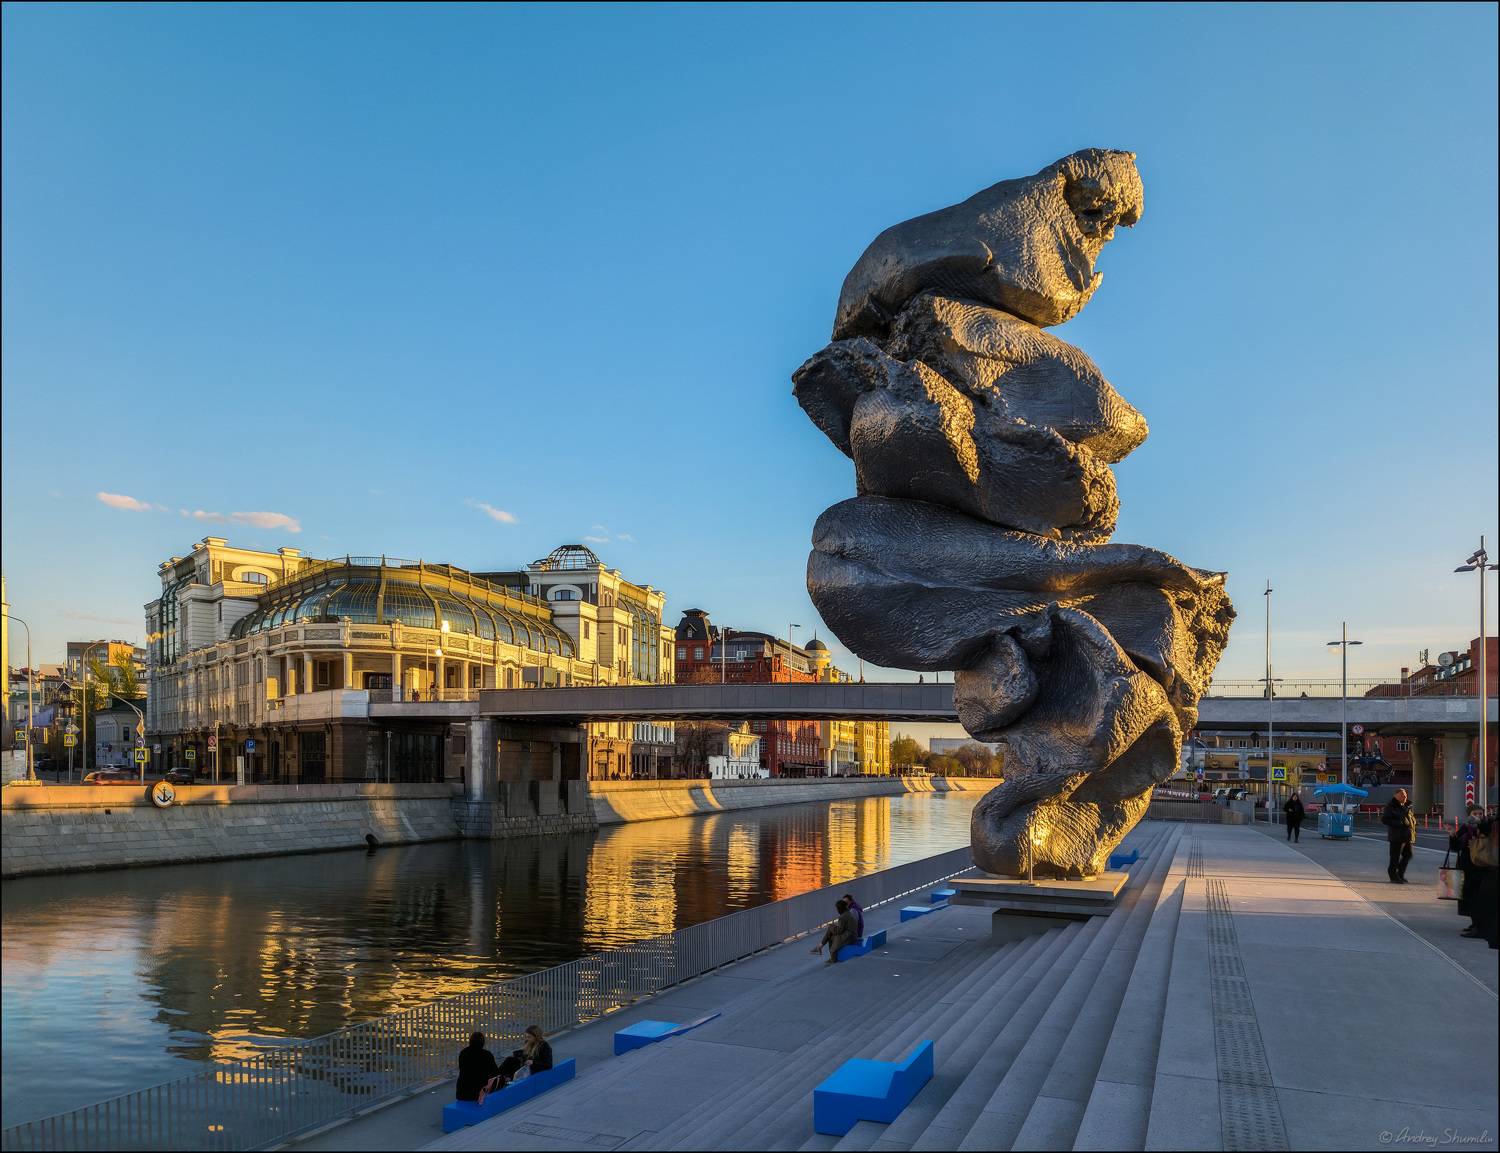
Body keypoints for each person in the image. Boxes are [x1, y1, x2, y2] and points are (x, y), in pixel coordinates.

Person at [491, 1025, 553, 1091]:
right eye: (526, 1037)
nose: (527, 1039)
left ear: (536, 1036)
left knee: (514, 1069)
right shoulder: (529, 1042)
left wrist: (533, 1063)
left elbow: (548, 1064)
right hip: (525, 1065)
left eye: (529, 1037)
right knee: (510, 1060)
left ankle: (507, 1080)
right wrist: (514, 1054)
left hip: (533, 1068)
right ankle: (494, 1077)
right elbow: (525, 1053)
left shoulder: (544, 1046)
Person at [1454, 806, 1485, 937]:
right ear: (1469, 814)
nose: (1478, 816)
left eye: (1480, 813)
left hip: (1482, 867)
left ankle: (1479, 926)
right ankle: (1474, 923)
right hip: (1467, 865)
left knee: (1478, 897)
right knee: (1469, 895)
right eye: (1474, 813)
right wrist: (1452, 836)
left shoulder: (1486, 827)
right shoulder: (1465, 827)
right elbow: (1455, 847)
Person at [1380, 788, 1416, 884]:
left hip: (1407, 835)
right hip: (1396, 836)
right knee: (1395, 857)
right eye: (1402, 795)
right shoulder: (1391, 806)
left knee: (1408, 855)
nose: (1405, 797)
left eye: (1405, 796)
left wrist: (1414, 823)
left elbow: (1409, 818)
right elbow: (1384, 820)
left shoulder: (1406, 806)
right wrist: (1398, 823)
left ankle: (1400, 873)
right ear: (1396, 796)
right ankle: (1393, 876)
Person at [455, 1031, 501, 1103]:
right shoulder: (487, 1055)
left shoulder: (463, 1053)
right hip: (479, 1094)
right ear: (483, 1043)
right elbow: (495, 1073)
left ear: (470, 1041)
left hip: (462, 1094)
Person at [810, 898, 859, 965]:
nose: (837, 910)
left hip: (850, 937)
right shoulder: (848, 913)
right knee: (831, 933)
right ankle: (821, 948)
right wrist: (833, 927)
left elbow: (839, 931)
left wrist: (831, 926)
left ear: (840, 909)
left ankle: (829, 955)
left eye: (837, 909)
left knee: (831, 932)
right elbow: (842, 928)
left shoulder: (843, 917)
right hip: (852, 935)